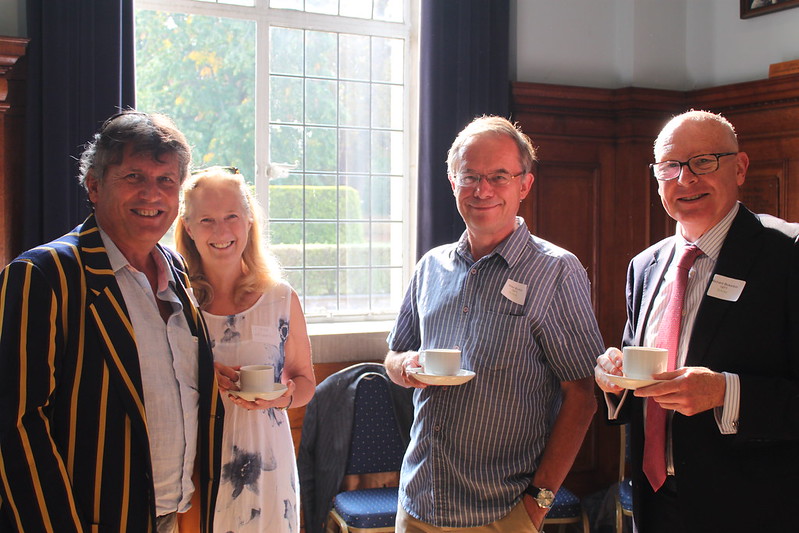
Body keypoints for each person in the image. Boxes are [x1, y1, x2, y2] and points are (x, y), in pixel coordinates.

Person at [0, 111, 224, 532]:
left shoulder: (176, 271)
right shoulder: (45, 274)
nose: (151, 194)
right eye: (134, 178)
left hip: (174, 514)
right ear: (95, 186)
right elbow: (15, 425)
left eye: (165, 181)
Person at [385, 115, 604, 532]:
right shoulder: (430, 267)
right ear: (453, 183)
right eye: (470, 176)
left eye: (499, 176)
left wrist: (535, 506)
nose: (482, 190)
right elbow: (394, 355)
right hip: (416, 505)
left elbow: (582, 395)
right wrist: (405, 368)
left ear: (525, 185)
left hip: (502, 515)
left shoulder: (555, 271)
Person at [594, 110, 799, 533]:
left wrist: (726, 392)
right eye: (670, 166)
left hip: (754, 507)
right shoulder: (645, 266)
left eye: (704, 161)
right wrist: (613, 380)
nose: (685, 179)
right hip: (655, 504)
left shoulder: (787, 255)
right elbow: (641, 377)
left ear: (739, 168)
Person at [175, 166, 315, 533]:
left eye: (231, 217)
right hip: (193, 462)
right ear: (188, 227)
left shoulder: (281, 297)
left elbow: (305, 383)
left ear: (249, 220)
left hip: (267, 463)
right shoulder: (174, 301)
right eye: (206, 219)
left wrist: (280, 399)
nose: (221, 231)